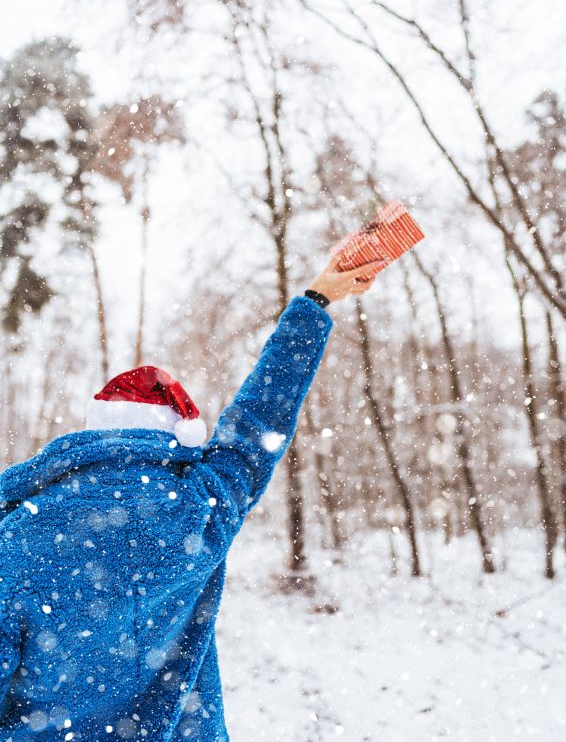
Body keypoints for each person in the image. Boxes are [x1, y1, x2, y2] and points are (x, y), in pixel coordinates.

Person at [0, 252, 385, 741]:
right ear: (177, 438)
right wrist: (317, 300)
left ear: (93, 437)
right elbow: (259, 418)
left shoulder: (18, 534)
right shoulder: (202, 507)